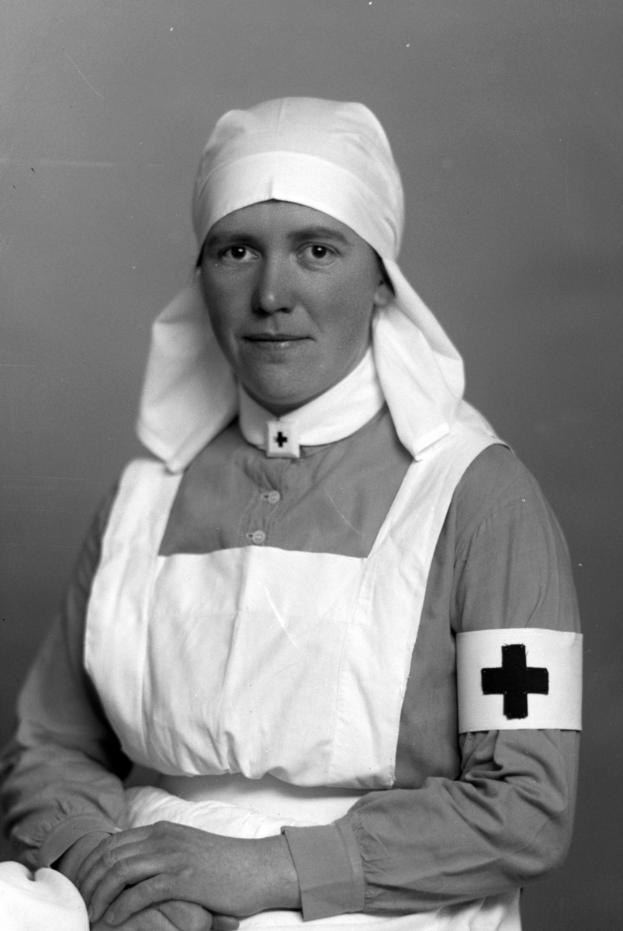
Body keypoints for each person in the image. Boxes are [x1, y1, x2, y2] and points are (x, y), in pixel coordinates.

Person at [0, 97, 582, 931]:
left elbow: (526, 804)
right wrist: (109, 873)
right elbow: (48, 743)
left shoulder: (480, 500)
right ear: (200, 273)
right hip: (135, 878)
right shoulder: (142, 498)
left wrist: (263, 869)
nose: (271, 293)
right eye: (236, 250)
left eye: (317, 250)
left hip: (373, 906)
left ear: (381, 275)